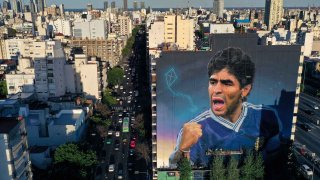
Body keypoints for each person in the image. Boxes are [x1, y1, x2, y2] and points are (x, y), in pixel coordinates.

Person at [169, 47, 283, 168]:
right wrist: (182, 149)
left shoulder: (266, 117)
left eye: (227, 83)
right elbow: (176, 171)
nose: (217, 90)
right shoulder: (194, 130)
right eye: (213, 82)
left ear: (244, 90)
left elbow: (276, 158)